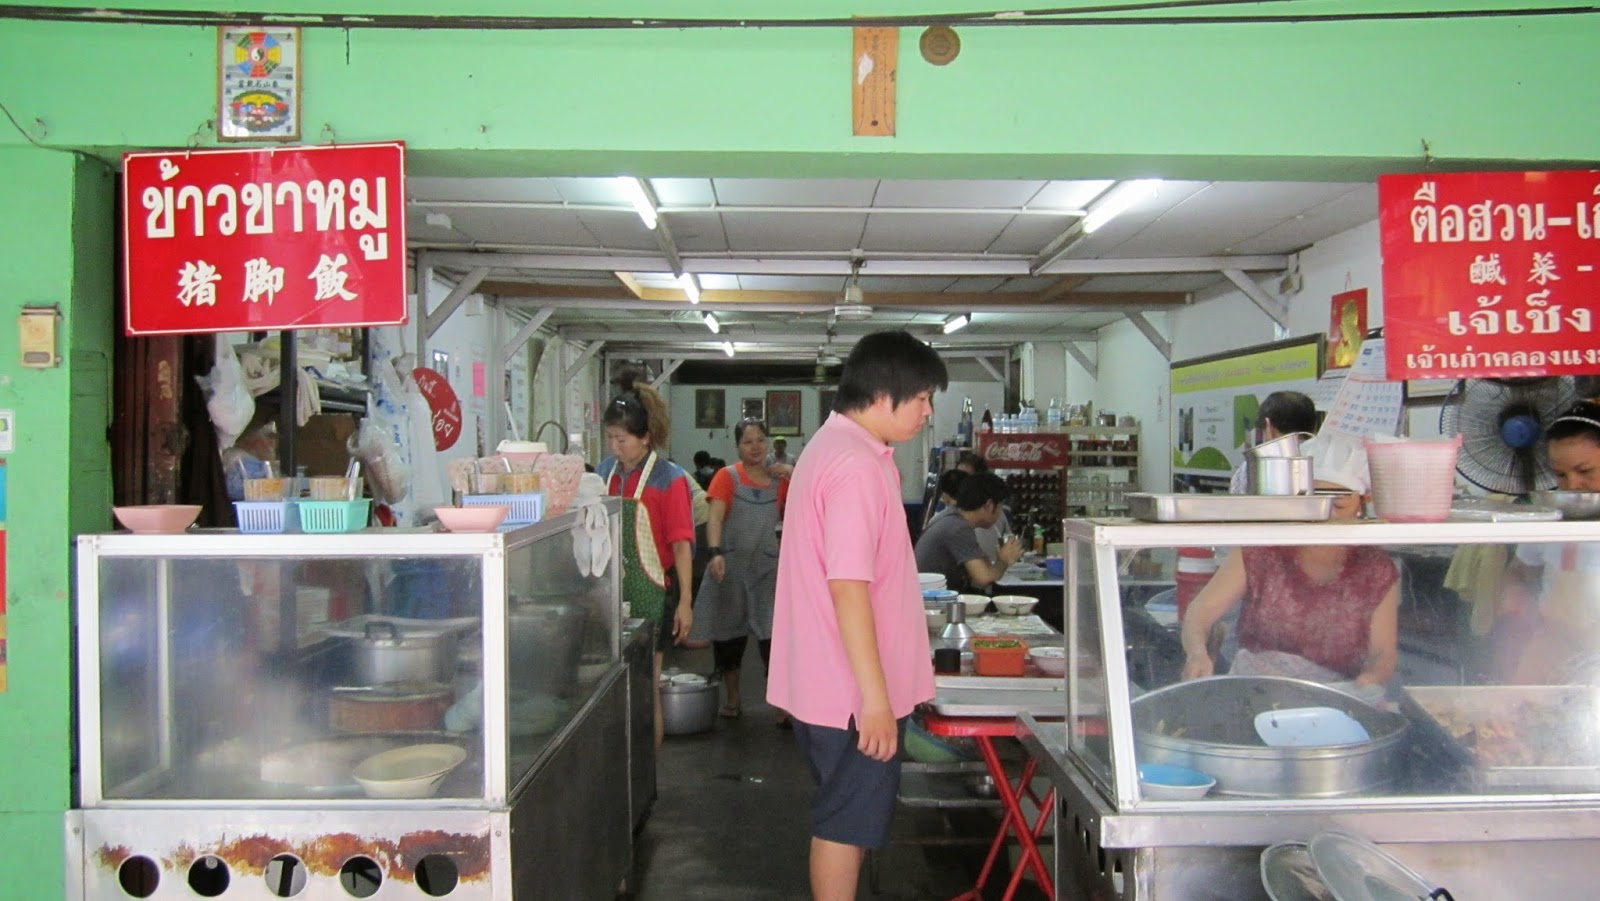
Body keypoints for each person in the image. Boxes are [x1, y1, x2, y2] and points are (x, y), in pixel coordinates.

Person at [767, 329, 948, 901]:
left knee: (845, 815)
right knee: (844, 825)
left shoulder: (832, 448)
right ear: (884, 393)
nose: (927, 411)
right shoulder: (855, 466)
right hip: (850, 693)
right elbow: (848, 588)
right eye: (922, 398)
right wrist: (874, 699)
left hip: (830, 683)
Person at [1181, 438, 1400, 697]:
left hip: (1334, 699)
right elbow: (1200, 612)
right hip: (1254, 694)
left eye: (1339, 505)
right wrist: (1197, 653)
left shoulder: (1375, 569)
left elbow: (1382, 654)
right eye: (1312, 503)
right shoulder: (1264, 549)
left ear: (1363, 502)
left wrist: (1367, 682)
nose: (1325, 515)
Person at [597, 371, 697, 748]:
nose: (614, 447)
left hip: (653, 593)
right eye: (610, 437)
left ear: (645, 437)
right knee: (610, 688)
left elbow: (682, 545)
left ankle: (646, 771)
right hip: (609, 591)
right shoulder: (604, 474)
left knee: (646, 687)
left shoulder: (668, 479)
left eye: (621, 439)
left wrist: (685, 602)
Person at [688, 418, 790, 721]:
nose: (755, 447)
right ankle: (733, 699)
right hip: (730, 567)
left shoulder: (780, 480)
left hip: (767, 568)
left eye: (760, 440)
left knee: (773, 637)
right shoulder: (727, 477)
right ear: (737, 446)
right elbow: (715, 518)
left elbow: (808, 505)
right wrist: (715, 552)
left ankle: (782, 704)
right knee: (728, 635)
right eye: (748, 442)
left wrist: (794, 474)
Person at [1508, 399, 1600, 683]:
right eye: (1560, 474)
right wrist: (1516, 602)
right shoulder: (1552, 524)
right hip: (1552, 658)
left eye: (1585, 471)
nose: (1573, 485)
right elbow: (1519, 573)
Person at [915, 471, 1025, 593]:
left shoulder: (953, 516)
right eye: (999, 507)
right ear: (989, 505)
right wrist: (1003, 560)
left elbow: (983, 562)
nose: (1000, 513)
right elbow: (984, 579)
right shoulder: (958, 527)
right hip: (932, 599)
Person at [1229, 390, 1318, 493]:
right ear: (1314, 427)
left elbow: (1237, 500)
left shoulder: (1252, 466)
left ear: (1268, 425)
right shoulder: (1326, 460)